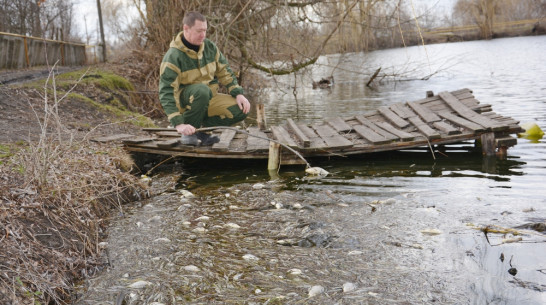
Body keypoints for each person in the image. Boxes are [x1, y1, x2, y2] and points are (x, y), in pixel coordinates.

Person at [159, 11, 251, 145]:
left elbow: (225, 71)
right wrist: (178, 123)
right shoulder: (173, 56)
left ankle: (201, 131)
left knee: (241, 109)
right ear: (186, 29)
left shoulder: (209, 47)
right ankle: (188, 134)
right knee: (202, 91)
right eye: (199, 31)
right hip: (186, 103)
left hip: (208, 98)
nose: (203, 35)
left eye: (205, 31)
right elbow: (166, 91)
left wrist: (238, 94)